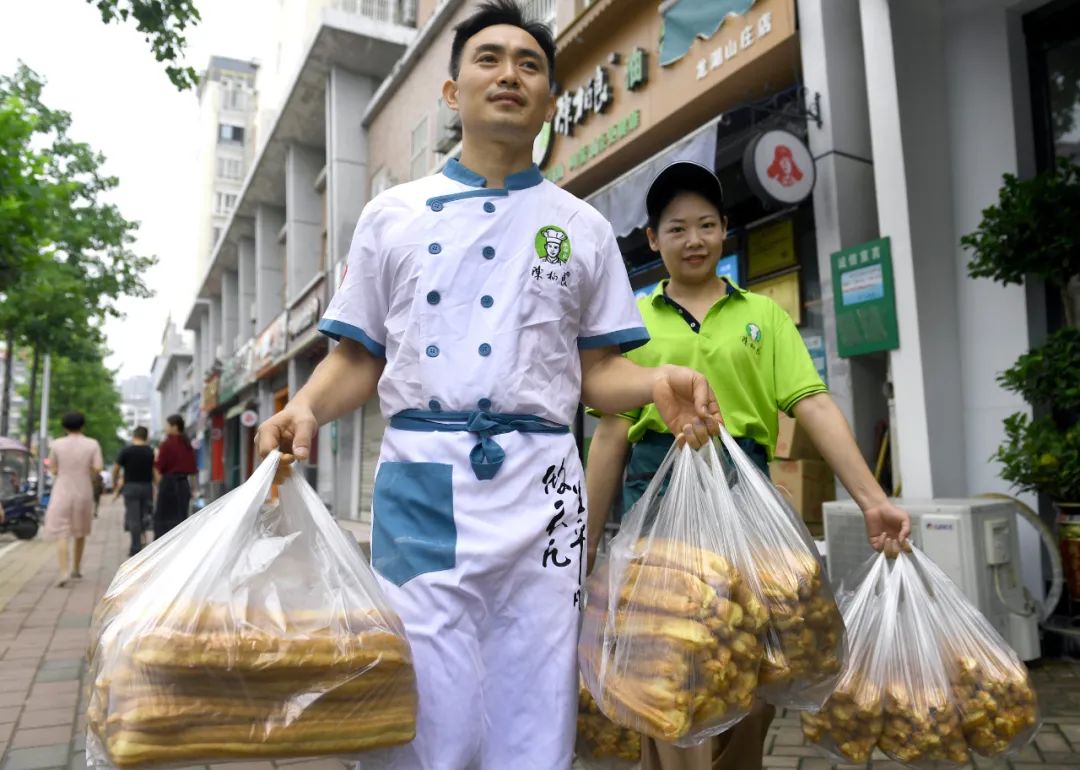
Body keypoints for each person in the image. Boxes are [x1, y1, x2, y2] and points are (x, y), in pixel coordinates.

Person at [255, 3, 721, 767]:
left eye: (529, 65)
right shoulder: (390, 217)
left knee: (534, 698)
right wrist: (304, 406)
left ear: (549, 100)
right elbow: (357, 358)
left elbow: (599, 377)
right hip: (422, 481)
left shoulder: (582, 227)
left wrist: (657, 380)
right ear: (451, 92)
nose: (509, 74)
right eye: (490, 59)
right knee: (427, 701)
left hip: (542, 488)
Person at [585, 161, 912, 770]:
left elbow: (812, 403)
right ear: (653, 239)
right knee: (670, 660)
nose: (694, 240)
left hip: (747, 500)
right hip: (659, 499)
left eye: (706, 225)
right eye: (677, 228)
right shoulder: (629, 319)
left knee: (764, 657)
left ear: (725, 230)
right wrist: (580, 548)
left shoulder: (764, 315)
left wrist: (872, 498)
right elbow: (609, 434)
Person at [42, 411, 103, 587]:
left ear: (64, 426)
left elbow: (52, 468)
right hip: (83, 490)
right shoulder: (92, 444)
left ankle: (63, 572)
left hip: (62, 490)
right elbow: (98, 467)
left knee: (62, 532)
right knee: (80, 530)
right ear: (83, 425)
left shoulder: (57, 444)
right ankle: (76, 568)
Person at [112, 426, 155, 556]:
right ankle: (143, 541)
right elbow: (153, 470)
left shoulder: (126, 451)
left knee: (133, 517)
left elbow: (116, 468)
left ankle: (135, 548)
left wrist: (115, 482)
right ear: (146, 437)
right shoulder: (150, 451)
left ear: (134, 436)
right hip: (147, 486)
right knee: (144, 515)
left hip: (131, 487)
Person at [154, 414, 197, 538]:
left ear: (175, 427)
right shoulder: (187, 444)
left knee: (164, 517)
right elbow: (193, 469)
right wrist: (193, 489)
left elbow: (160, 466)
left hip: (168, 484)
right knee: (181, 517)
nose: (166, 428)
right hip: (184, 484)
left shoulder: (166, 444)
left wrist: (158, 485)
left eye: (167, 425)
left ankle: (163, 544)